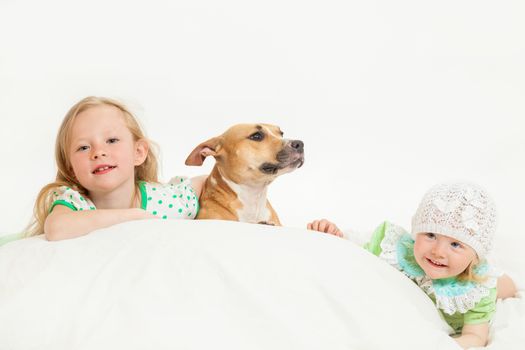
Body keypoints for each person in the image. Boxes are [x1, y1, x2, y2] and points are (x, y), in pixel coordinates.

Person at [308, 182, 517, 349]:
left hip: (474, 277)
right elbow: (358, 250)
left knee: (505, 286)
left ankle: (503, 278)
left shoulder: (476, 291)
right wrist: (335, 236)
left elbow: (475, 336)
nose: (438, 251)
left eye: (455, 244)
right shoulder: (399, 252)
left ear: (476, 254)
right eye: (430, 235)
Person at [26, 96, 206, 241]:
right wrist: (131, 217)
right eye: (83, 147)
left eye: (111, 141)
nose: (98, 152)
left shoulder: (167, 202)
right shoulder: (75, 203)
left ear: (138, 152)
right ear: (71, 168)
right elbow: (56, 228)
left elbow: (202, 183)